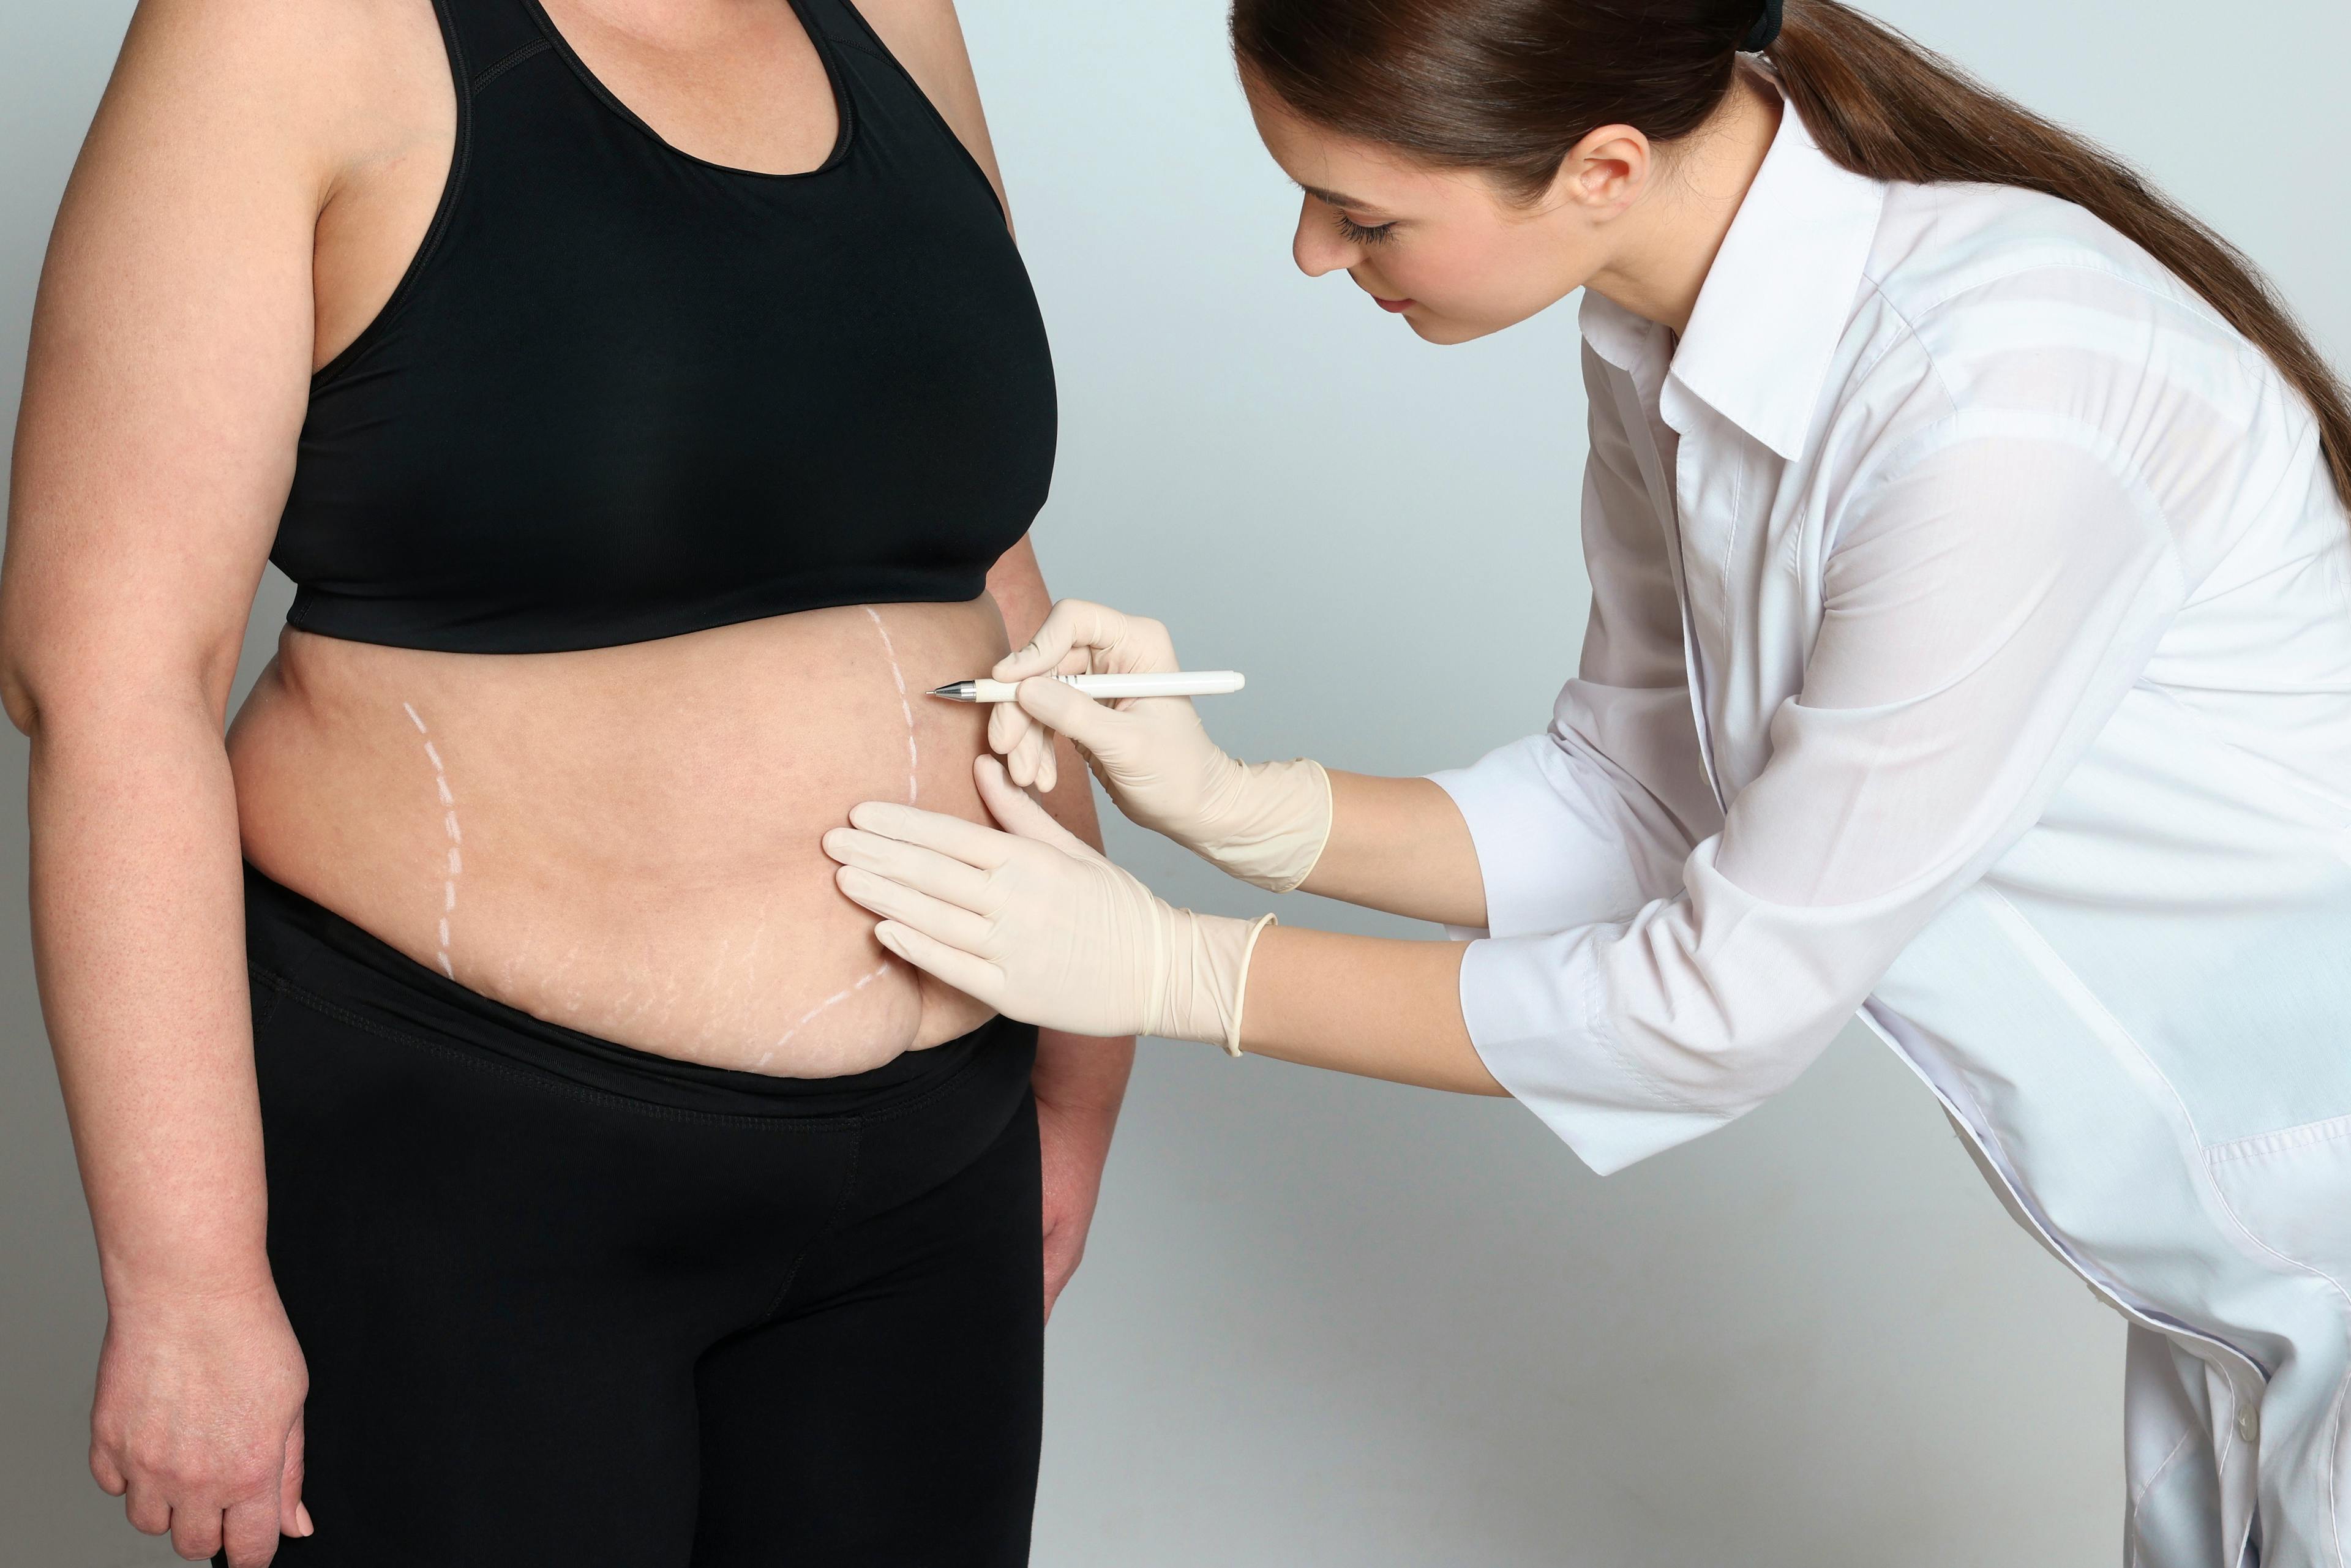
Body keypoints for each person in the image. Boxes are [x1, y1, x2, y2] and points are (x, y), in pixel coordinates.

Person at [821, 0, 2351, 1561]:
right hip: (2237, 1301)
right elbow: (1638, 800)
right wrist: (1241, 807)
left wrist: (1177, 970)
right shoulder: (1664, 336)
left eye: (1361, 215)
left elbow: (1720, 1009)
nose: (1313, 254)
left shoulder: (2001, 403)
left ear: (1602, 168)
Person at [0, 0, 1130, 1561]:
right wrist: (186, 1279)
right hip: (467, 1176)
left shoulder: (893, 17)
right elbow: (111, 678)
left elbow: (987, 560)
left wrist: (1079, 1076)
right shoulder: (288, 34)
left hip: (934, 1169)